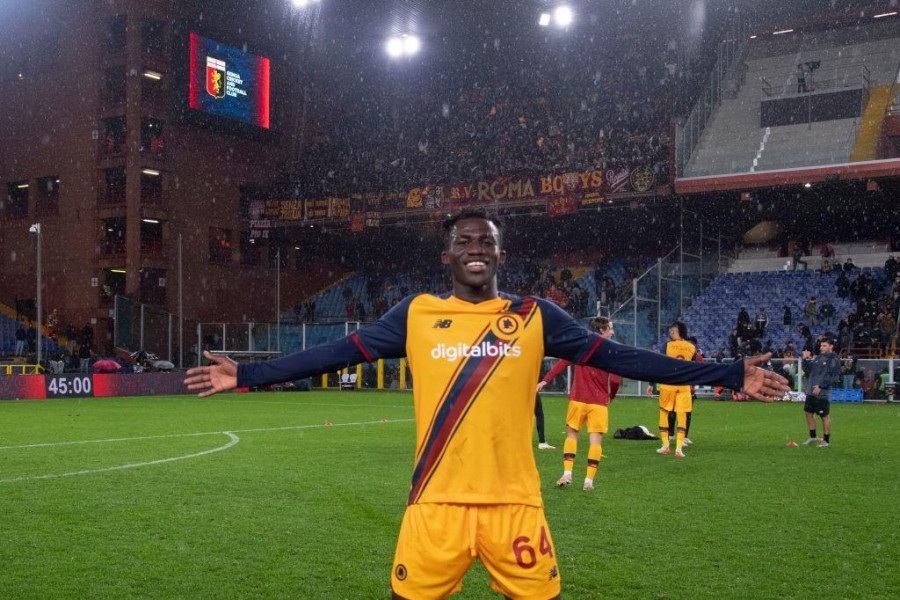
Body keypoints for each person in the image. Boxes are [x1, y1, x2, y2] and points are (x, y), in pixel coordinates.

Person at [185, 209, 788, 600]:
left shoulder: (534, 316)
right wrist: (249, 374)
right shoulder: (417, 314)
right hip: (435, 504)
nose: (476, 248)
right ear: (446, 257)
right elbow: (334, 353)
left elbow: (624, 358)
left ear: (500, 256)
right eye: (463, 241)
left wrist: (727, 373)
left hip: (515, 505)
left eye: (487, 242)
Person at [536, 316, 619, 492]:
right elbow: (616, 379)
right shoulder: (611, 350)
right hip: (598, 403)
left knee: (572, 436)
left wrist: (545, 380)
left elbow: (563, 362)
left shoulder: (581, 346)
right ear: (601, 330)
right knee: (595, 442)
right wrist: (611, 395)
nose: (612, 332)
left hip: (578, 400)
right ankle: (588, 481)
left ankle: (567, 473)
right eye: (610, 328)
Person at [651, 321, 696, 458]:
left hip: (668, 384)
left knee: (664, 413)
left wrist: (651, 382)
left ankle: (665, 445)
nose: (670, 333)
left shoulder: (667, 346)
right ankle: (679, 449)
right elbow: (693, 368)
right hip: (684, 386)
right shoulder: (691, 347)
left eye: (672, 331)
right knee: (682, 416)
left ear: (677, 331)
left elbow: (659, 365)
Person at [801, 333, 841, 448]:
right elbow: (808, 370)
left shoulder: (833, 359)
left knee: (824, 416)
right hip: (811, 391)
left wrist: (821, 386)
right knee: (808, 413)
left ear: (831, 346)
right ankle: (813, 436)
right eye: (821, 345)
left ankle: (826, 441)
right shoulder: (818, 358)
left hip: (822, 393)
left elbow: (834, 377)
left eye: (824, 346)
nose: (821, 347)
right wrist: (805, 359)